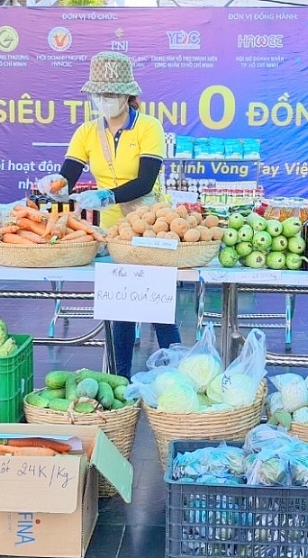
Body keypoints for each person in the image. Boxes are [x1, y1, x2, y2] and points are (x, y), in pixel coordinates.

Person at [43, 51, 181, 378]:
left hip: (150, 227)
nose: (104, 101)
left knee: (159, 310)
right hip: (112, 234)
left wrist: (106, 195)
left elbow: (146, 180)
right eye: (99, 94)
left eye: (111, 94)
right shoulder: (87, 132)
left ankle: (175, 384)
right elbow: (68, 177)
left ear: (128, 95)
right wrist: (55, 186)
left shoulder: (149, 127)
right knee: (121, 311)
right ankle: (121, 383)